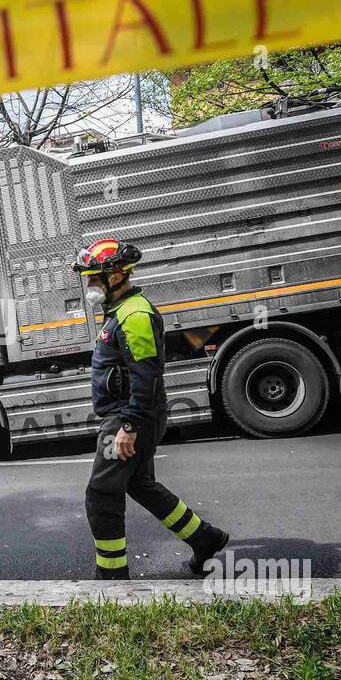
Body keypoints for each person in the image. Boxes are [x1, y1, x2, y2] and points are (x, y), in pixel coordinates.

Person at [72, 238, 230, 579]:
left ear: (115, 276)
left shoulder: (135, 314)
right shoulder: (120, 311)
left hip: (127, 416)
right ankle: (206, 538)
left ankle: (111, 578)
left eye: (94, 277)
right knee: (140, 484)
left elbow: (146, 373)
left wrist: (128, 426)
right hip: (133, 414)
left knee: (100, 493)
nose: (89, 285)